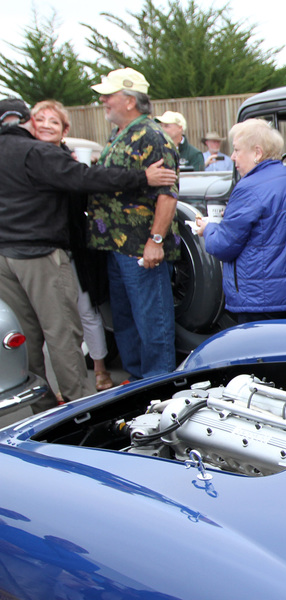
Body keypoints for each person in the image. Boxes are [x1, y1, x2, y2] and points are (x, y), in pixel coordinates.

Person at [0, 97, 176, 409]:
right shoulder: (36, 152)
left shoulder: (145, 136)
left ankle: (40, 408)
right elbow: (85, 178)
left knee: (26, 336)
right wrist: (142, 177)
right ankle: (78, 409)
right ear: (26, 121)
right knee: (62, 333)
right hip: (39, 255)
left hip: (7, 256)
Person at [88, 67, 181, 381]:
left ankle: (157, 386)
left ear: (129, 100)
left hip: (141, 249)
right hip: (117, 246)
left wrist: (155, 240)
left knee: (152, 321)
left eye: (109, 94)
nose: (103, 100)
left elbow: (167, 195)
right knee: (126, 320)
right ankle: (135, 380)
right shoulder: (119, 136)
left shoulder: (153, 136)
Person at [194, 119, 286, 323]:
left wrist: (209, 229)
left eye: (236, 150)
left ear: (257, 153)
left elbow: (223, 246)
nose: (232, 157)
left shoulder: (249, 188)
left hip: (261, 301)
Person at [30, 100, 116, 391]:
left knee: (85, 311)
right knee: (42, 323)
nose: (45, 125)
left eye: (53, 121)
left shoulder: (71, 162)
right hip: (36, 253)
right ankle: (47, 386)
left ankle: (99, 370)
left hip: (72, 249)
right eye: (39, 119)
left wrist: (85, 174)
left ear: (64, 129)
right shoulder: (26, 161)